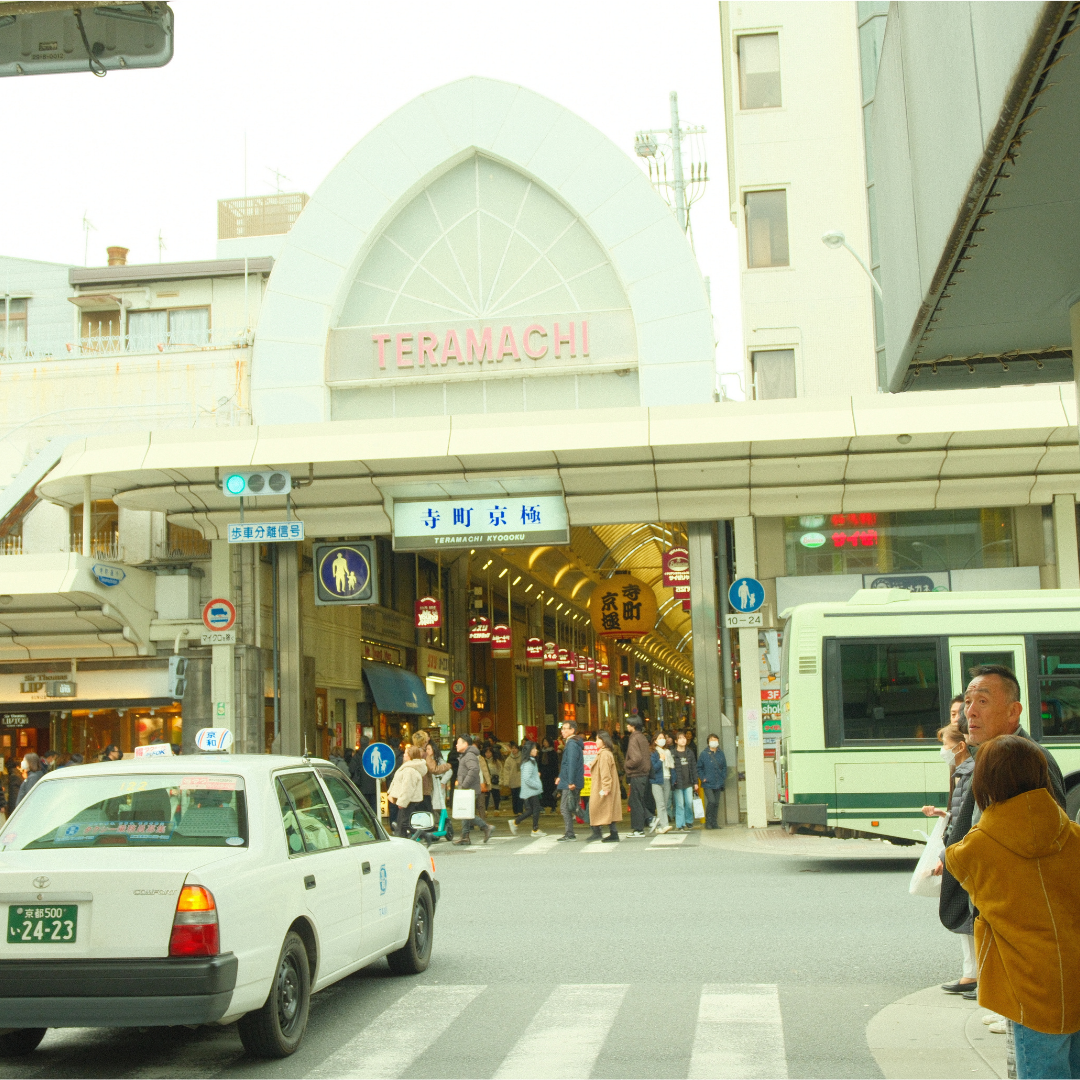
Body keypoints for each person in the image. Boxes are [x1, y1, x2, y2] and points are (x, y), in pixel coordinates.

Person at [946, 734, 1080, 1076]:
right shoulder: (1075, 837)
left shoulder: (975, 850)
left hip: (1027, 986)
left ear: (985, 781)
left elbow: (953, 861)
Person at [935, 665, 1067, 1001]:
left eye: (983, 700)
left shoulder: (1027, 759)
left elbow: (1051, 839)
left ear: (1013, 711)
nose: (971, 711)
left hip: (1027, 934)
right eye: (967, 701)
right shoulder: (989, 757)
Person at [922, 725, 977, 994]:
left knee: (969, 915)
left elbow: (966, 820)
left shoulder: (968, 772)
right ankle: (973, 975)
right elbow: (960, 815)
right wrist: (943, 815)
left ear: (960, 746)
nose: (943, 750)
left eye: (945, 744)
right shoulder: (963, 772)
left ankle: (975, 976)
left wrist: (947, 856)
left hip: (962, 853)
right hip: (959, 850)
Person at [452, 735, 493, 846]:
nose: (456, 745)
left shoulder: (469, 755)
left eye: (459, 742)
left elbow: (474, 769)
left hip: (469, 789)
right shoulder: (466, 755)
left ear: (465, 744)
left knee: (465, 812)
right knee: (465, 812)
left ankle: (486, 827)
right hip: (468, 788)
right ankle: (465, 837)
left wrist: (464, 784)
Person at [587, 730, 622, 842]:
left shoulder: (604, 754)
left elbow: (605, 773)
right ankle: (613, 833)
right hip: (603, 787)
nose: (596, 741)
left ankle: (597, 832)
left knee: (596, 808)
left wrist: (606, 788)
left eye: (598, 739)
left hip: (602, 787)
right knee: (607, 810)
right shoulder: (605, 753)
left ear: (604, 741)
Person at [386, 746, 427, 837]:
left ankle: (425, 835)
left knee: (403, 824)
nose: (404, 755)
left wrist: (402, 802)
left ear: (410, 756)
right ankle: (421, 836)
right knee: (404, 824)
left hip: (408, 801)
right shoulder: (410, 767)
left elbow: (407, 788)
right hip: (409, 800)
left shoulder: (409, 770)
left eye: (405, 753)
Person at [555, 720, 585, 842]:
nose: (562, 731)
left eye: (565, 728)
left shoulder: (572, 744)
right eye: (562, 729)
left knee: (566, 807)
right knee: (572, 807)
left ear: (572, 730)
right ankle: (594, 825)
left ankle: (570, 833)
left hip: (570, 782)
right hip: (569, 780)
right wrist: (560, 776)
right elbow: (567, 764)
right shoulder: (572, 743)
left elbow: (571, 764)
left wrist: (571, 781)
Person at [509, 740, 545, 836]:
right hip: (531, 790)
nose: (536, 750)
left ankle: (515, 822)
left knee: (531, 810)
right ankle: (535, 830)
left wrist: (536, 775)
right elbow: (527, 779)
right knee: (536, 809)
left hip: (529, 790)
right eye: (534, 748)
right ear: (529, 750)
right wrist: (538, 785)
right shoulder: (528, 763)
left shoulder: (530, 761)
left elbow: (528, 776)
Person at [624, 717, 651, 837]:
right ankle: (648, 820)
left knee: (635, 801)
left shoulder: (634, 738)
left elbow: (636, 758)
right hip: (644, 773)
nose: (627, 726)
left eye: (628, 724)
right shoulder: (642, 737)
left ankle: (640, 827)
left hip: (637, 773)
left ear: (632, 725)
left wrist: (626, 764)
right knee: (637, 800)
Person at [697, 733, 727, 829]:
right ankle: (708, 822)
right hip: (708, 783)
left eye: (715, 740)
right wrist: (703, 777)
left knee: (717, 803)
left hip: (718, 782)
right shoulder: (704, 754)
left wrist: (723, 776)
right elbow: (699, 768)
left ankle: (714, 823)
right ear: (708, 742)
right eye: (712, 740)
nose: (714, 742)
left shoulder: (720, 753)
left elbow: (724, 767)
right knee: (712, 801)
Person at [670, 732, 698, 830]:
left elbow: (694, 768)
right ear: (676, 741)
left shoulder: (690, 753)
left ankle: (689, 821)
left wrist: (695, 782)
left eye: (684, 738)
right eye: (680, 738)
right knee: (680, 804)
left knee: (689, 803)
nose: (683, 740)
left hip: (688, 782)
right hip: (678, 783)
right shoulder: (673, 753)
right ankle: (680, 824)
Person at [649, 732, 674, 834]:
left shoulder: (667, 752)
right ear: (655, 741)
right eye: (660, 738)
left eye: (663, 737)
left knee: (665, 803)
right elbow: (653, 768)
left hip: (667, 779)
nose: (662, 739)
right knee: (661, 804)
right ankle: (665, 825)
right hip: (657, 781)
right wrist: (660, 760)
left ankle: (659, 826)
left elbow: (672, 768)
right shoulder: (653, 753)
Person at [502, 742, 522, 815]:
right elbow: (506, 771)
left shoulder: (522, 757)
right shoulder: (509, 759)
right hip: (513, 780)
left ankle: (520, 810)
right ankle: (515, 811)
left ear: (518, 749)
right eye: (512, 748)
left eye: (515, 748)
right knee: (514, 796)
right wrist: (506, 781)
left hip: (520, 780)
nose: (514, 750)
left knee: (520, 796)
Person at [539, 738, 558, 810]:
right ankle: (544, 805)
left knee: (551, 789)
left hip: (551, 774)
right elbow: (539, 763)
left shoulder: (553, 752)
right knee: (544, 789)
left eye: (546, 741)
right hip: (543, 774)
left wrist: (556, 775)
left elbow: (555, 764)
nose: (545, 743)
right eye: (544, 741)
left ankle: (553, 805)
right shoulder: (541, 752)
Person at [483, 746, 502, 814]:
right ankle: (485, 810)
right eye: (486, 752)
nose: (488, 754)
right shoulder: (482, 761)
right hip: (486, 781)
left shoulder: (496, 761)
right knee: (486, 796)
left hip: (494, 781)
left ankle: (496, 809)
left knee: (496, 795)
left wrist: (500, 779)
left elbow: (500, 771)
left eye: (489, 752)